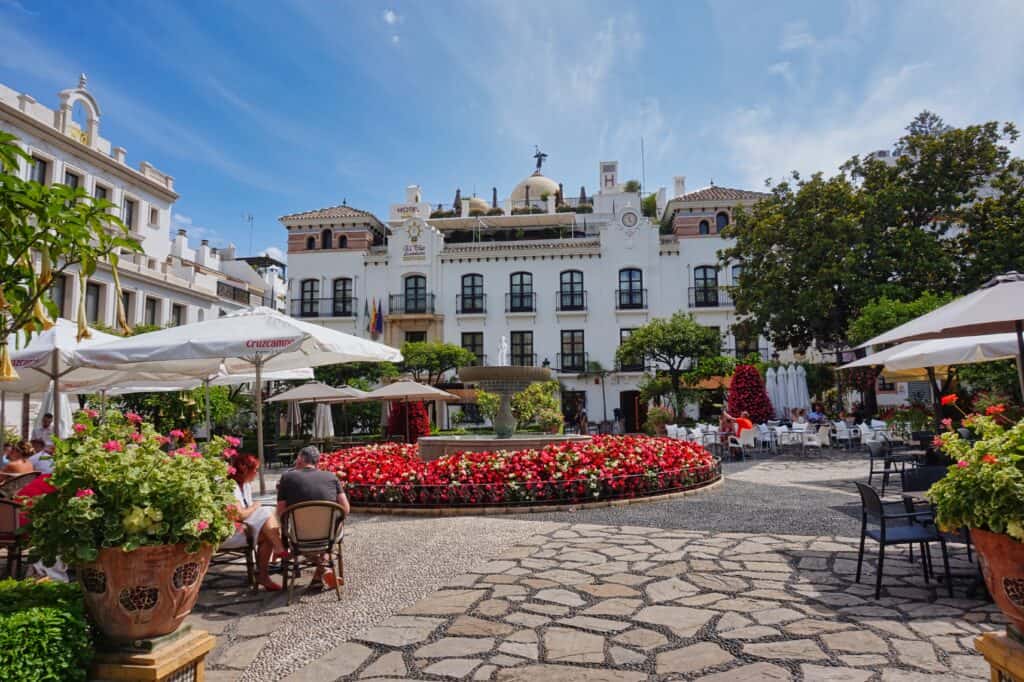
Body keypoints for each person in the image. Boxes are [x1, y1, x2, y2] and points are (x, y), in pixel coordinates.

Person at [276, 446, 349, 590]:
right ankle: (325, 569)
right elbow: (345, 509)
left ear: (301, 459)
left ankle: (319, 573)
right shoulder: (331, 477)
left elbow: (281, 512)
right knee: (336, 526)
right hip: (327, 536)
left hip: (300, 536)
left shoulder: (287, 477)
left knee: (296, 535)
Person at [225, 453, 285, 591]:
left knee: (268, 521)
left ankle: (264, 574)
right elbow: (239, 515)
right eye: (255, 470)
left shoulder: (245, 485)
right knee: (265, 512)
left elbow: (247, 514)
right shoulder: (229, 486)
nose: (257, 473)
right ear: (244, 469)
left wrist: (254, 508)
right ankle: (280, 548)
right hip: (232, 532)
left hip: (245, 529)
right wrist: (255, 506)